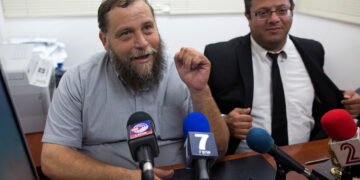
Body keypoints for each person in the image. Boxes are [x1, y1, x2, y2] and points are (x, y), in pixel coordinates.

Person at [40, 0, 229, 179]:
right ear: (104, 41)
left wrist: (200, 90)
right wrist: (124, 177)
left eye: (147, 28)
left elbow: (219, 150)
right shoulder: (77, 81)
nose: (142, 43)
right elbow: (52, 160)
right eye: (126, 34)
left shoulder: (184, 73)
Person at [204, 0, 360, 154]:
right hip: (247, 160)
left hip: (304, 154)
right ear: (248, 17)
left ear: (292, 10)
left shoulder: (313, 50)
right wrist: (224, 122)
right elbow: (202, 110)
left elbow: (323, 96)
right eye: (262, 13)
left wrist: (350, 99)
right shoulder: (220, 56)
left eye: (282, 10)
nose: (274, 19)